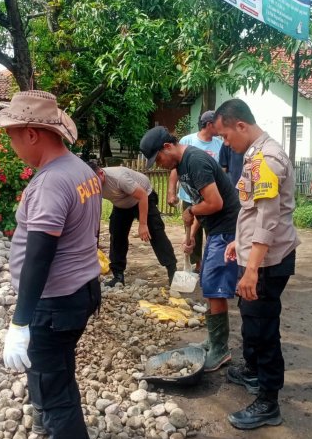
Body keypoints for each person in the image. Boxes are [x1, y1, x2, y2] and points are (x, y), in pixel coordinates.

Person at [0, 90, 101, 439]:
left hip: (54, 303)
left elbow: (39, 254)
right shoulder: (80, 170)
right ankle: (45, 418)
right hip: (81, 290)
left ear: (33, 134)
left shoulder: (51, 183)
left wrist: (20, 322)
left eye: (13, 134)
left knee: (54, 388)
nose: (11, 143)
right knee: (56, 369)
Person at [214, 99, 301, 430]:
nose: (225, 143)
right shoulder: (254, 154)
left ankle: (268, 401)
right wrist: (241, 241)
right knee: (252, 320)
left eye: (224, 135)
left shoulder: (265, 158)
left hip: (265, 263)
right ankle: (252, 371)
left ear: (240, 126)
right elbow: (254, 211)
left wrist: (251, 269)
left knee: (263, 328)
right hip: (257, 254)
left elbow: (267, 219)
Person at [141, 126, 238, 372]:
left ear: (167, 147)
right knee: (208, 284)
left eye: (159, 159)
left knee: (214, 287)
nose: (160, 165)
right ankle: (213, 340)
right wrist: (193, 234)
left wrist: (192, 211)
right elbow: (200, 201)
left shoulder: (195, 161)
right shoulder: (182, 165)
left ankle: (220, 348)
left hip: (226, 230)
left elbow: (215, 203)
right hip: (214, 229)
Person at [88, 162, 177, 286]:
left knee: (156, 233)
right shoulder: (88, 183)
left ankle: (172, 272)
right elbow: (95, 207)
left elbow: (142, 196)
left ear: (101, 173)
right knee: (117, 235)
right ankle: (118, 276)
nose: (93, 185)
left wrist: (143, 224)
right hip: (121, 204)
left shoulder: (119, 178)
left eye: (95, 181)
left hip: (144, 197)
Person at [167, 111, 223, 271]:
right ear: (209, 124)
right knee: (191, 232)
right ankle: (197, 265)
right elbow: (175, 169)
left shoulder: (219, 144)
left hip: (209, 197)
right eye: (217, 124)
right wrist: (171, 192)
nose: (220, 127)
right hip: (189, 196)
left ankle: (212, 264)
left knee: (211, 230)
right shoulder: (188, 141)